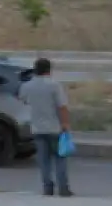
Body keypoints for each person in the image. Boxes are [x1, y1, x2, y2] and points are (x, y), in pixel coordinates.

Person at [18, 57, 73, 197]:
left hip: (37, 128)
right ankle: (63, 188)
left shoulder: (27, 86)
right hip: (55, 128)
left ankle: (47, 188)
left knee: (44, 161)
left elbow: (22, 99)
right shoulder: (54, 85)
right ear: (49, 69)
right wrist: (65, 123)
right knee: (60, 159)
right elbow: (62, 106)